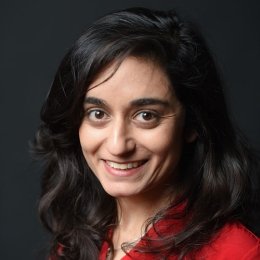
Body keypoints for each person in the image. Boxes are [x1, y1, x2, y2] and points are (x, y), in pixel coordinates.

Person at [33, 7, 260, 260]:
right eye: (98, 114)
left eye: (146, 116)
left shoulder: (238, 253)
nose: (118, 145)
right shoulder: (76, 241)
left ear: (193, 124)